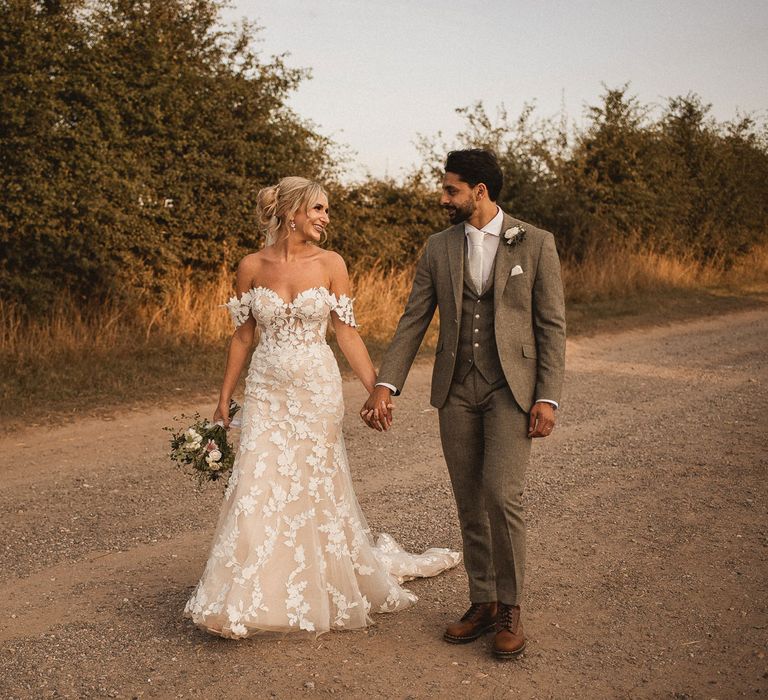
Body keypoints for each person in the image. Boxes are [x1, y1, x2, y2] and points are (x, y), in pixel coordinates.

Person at [184, 176, 460, 638]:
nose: (325, 218)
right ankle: (250, 593)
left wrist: (379, 388)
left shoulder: (332, 264)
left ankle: (320, 585)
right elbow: (243, 336)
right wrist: (222, 400)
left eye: (326, 210)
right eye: (317, 209)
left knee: (316, 482)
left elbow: (346, 332)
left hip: (316, 388)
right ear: (291, 211)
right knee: (256, 480)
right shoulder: (250, 266)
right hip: (268, 388)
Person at [361, 149, 566, 658]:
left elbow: (551, 326)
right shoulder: (438, 248)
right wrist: (386, 384)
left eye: (451, 189)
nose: (443, 197)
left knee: (501, 494)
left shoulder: (535, 242)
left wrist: (547, 396)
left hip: (511, 391)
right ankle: (483, 602)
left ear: (479, 191)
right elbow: (414, 319)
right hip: (456, 390)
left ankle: (512, 605)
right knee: (469, 500)